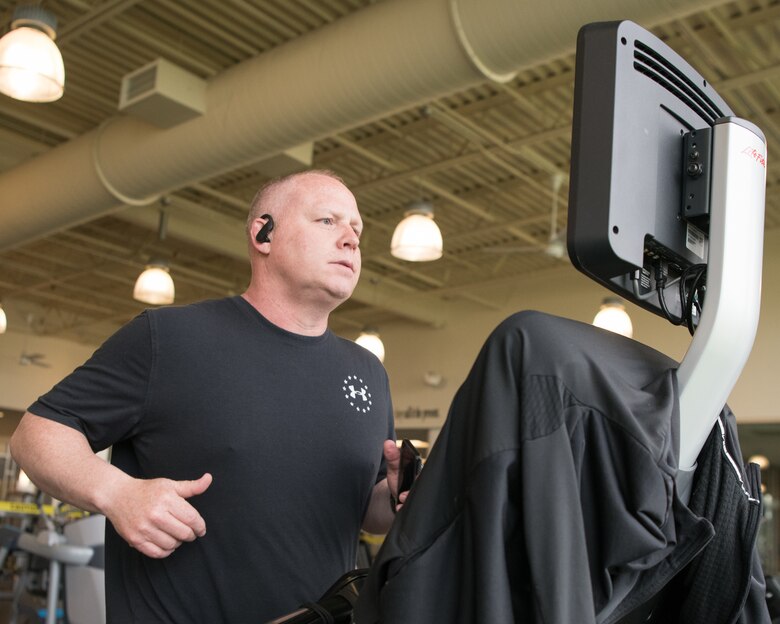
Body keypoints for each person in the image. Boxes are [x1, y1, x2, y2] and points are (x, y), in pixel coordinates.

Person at [10, 170, 405, 623]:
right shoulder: (171, 338)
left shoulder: (368, 372)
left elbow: (370, 511)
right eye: (328, 221)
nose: (351, 240)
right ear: (264, 233)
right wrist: (116, 491)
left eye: (357, 230)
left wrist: (398, 499)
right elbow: (36, 431)